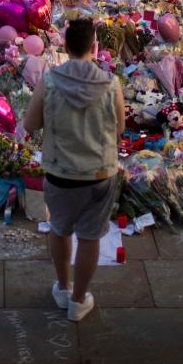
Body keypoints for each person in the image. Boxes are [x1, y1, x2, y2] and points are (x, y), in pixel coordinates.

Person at [23, 19, 126, 322]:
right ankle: (79, 301)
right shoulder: (111, 84)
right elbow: (119, 128)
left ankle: (63, 287)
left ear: (65, 47)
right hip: (100, 174)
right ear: (95, 47)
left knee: (60, 228)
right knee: (91, 237)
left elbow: (29, 125)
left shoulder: (50, 81)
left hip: (60, 173)